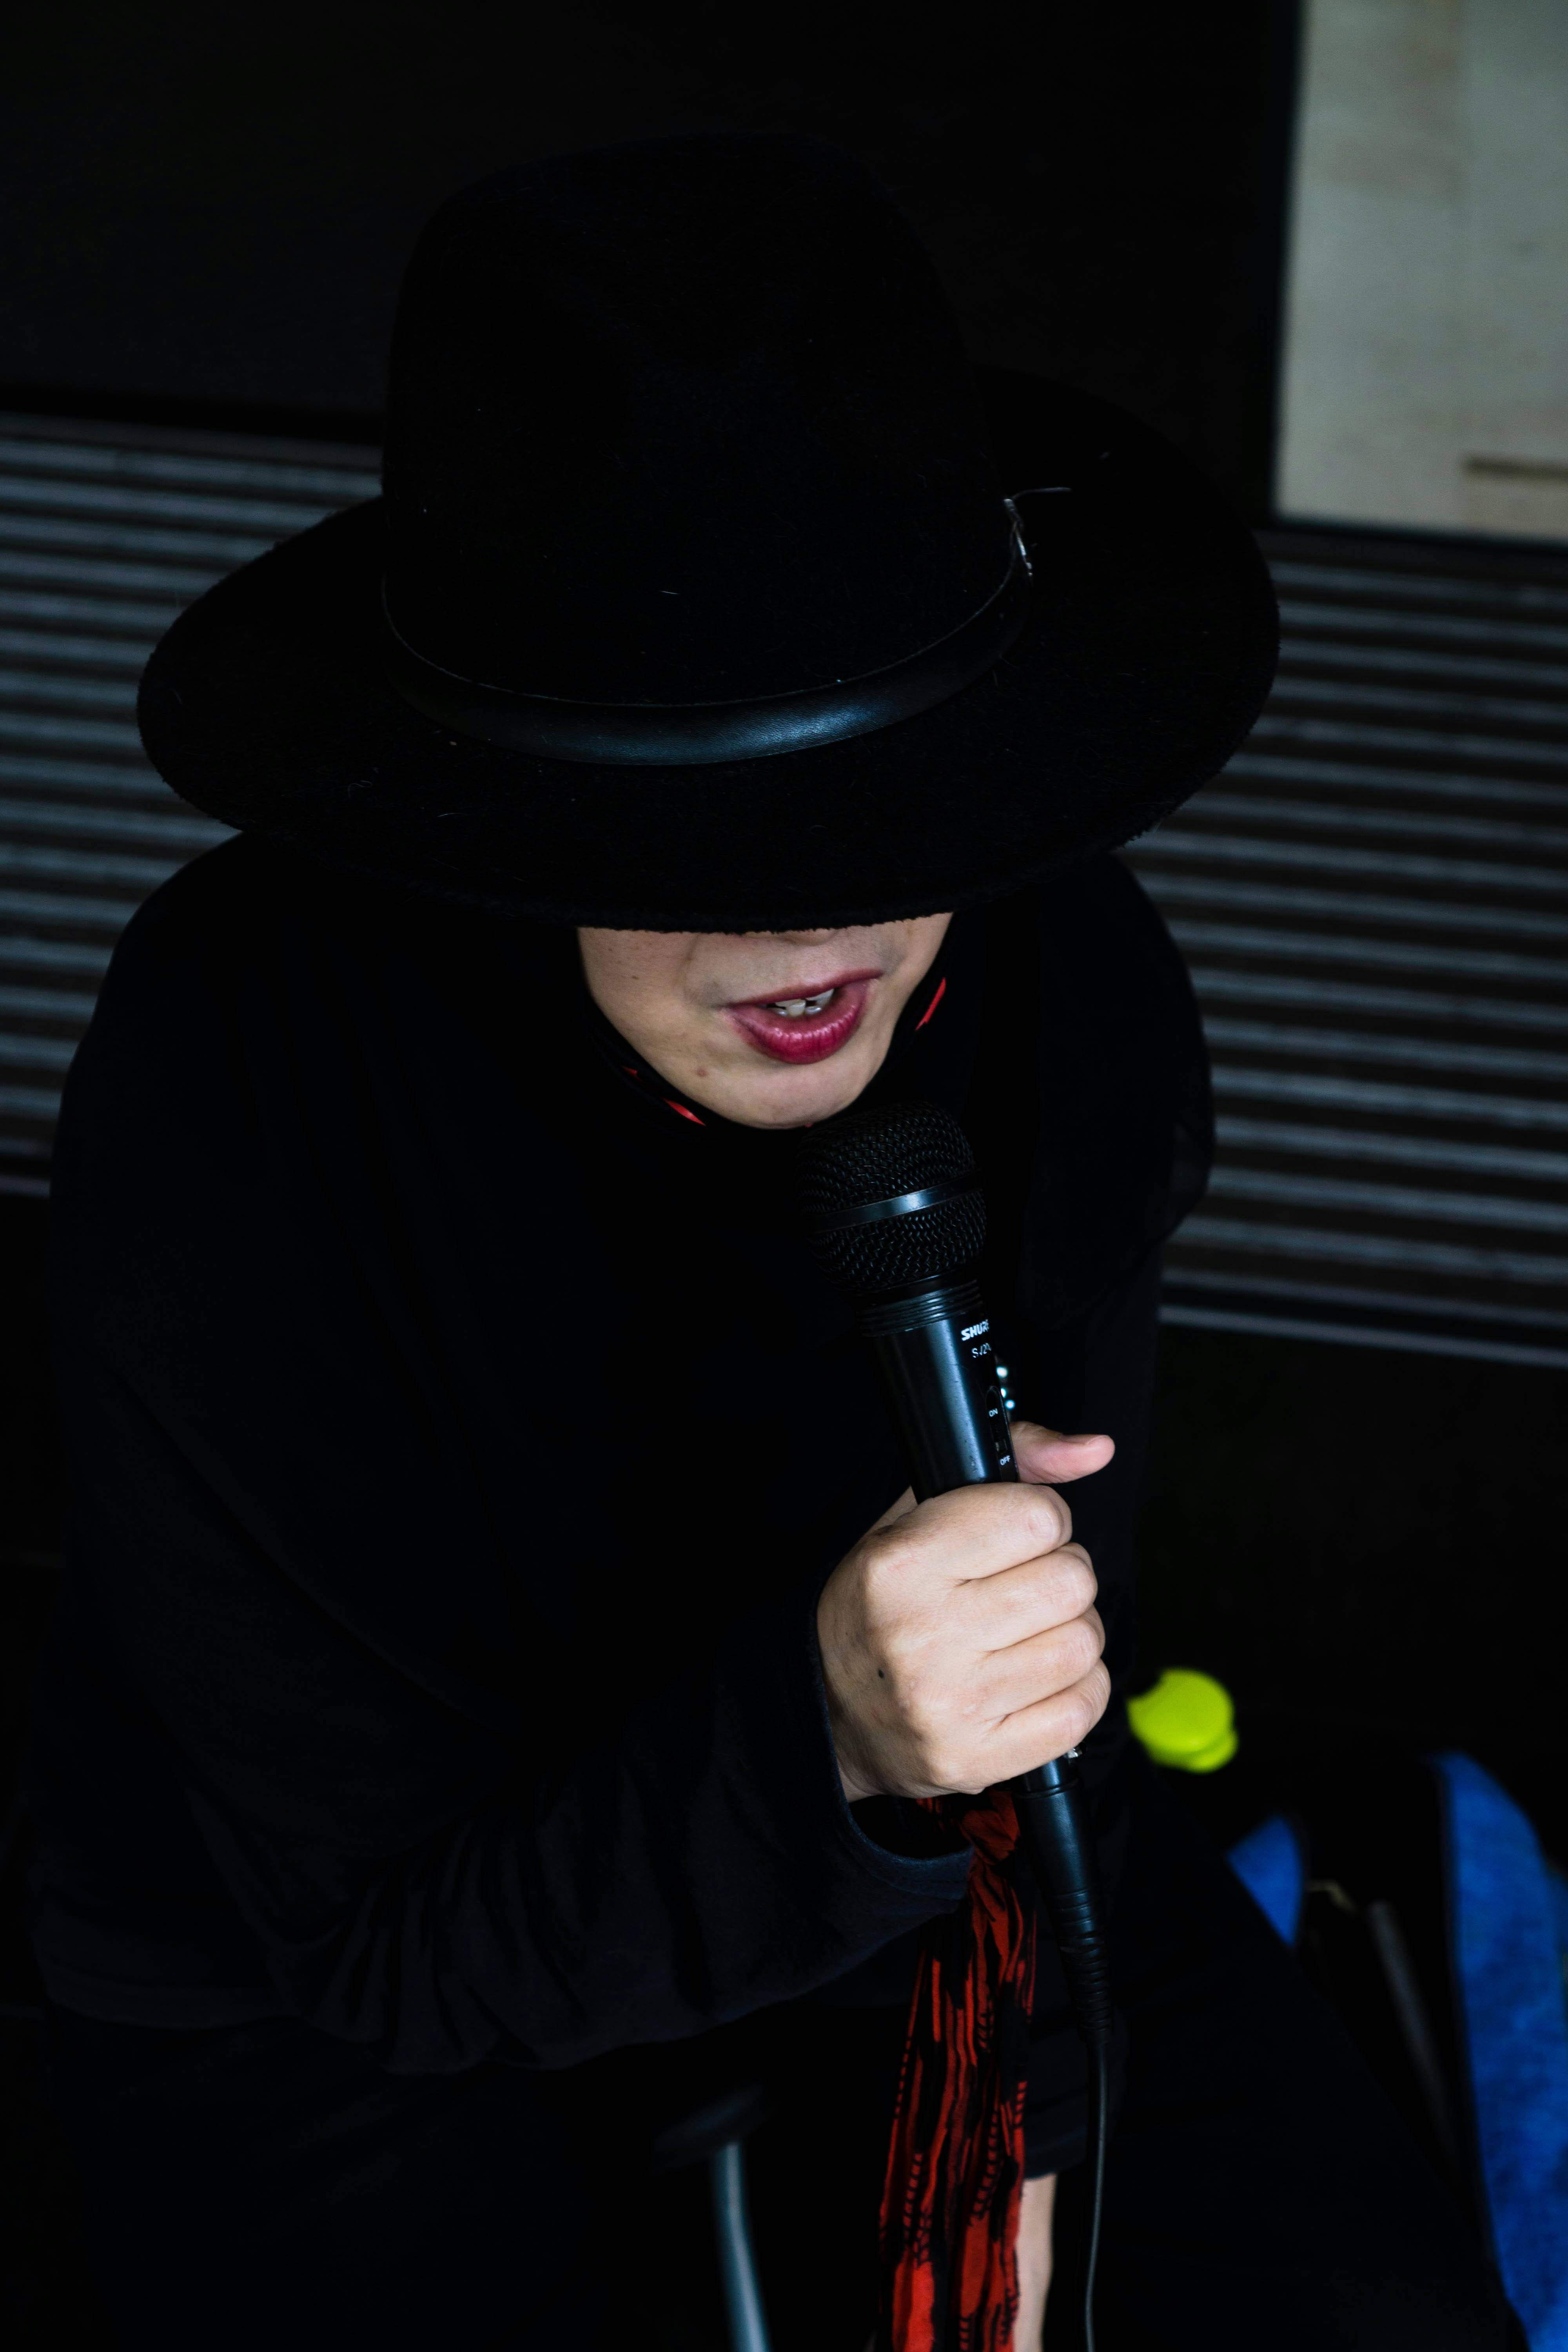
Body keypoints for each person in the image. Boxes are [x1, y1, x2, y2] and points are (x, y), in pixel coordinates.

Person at [25, 134, 1516, 2350]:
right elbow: (383, 1947)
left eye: (883, 804)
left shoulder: (1067, 985)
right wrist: (824, 1734)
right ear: (523, 808)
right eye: (691, 827)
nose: (815, 917)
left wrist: (1025, 2072)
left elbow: (1037, 1672)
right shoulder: (241, 1082)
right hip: (324, 1964)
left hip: (922, 1840)